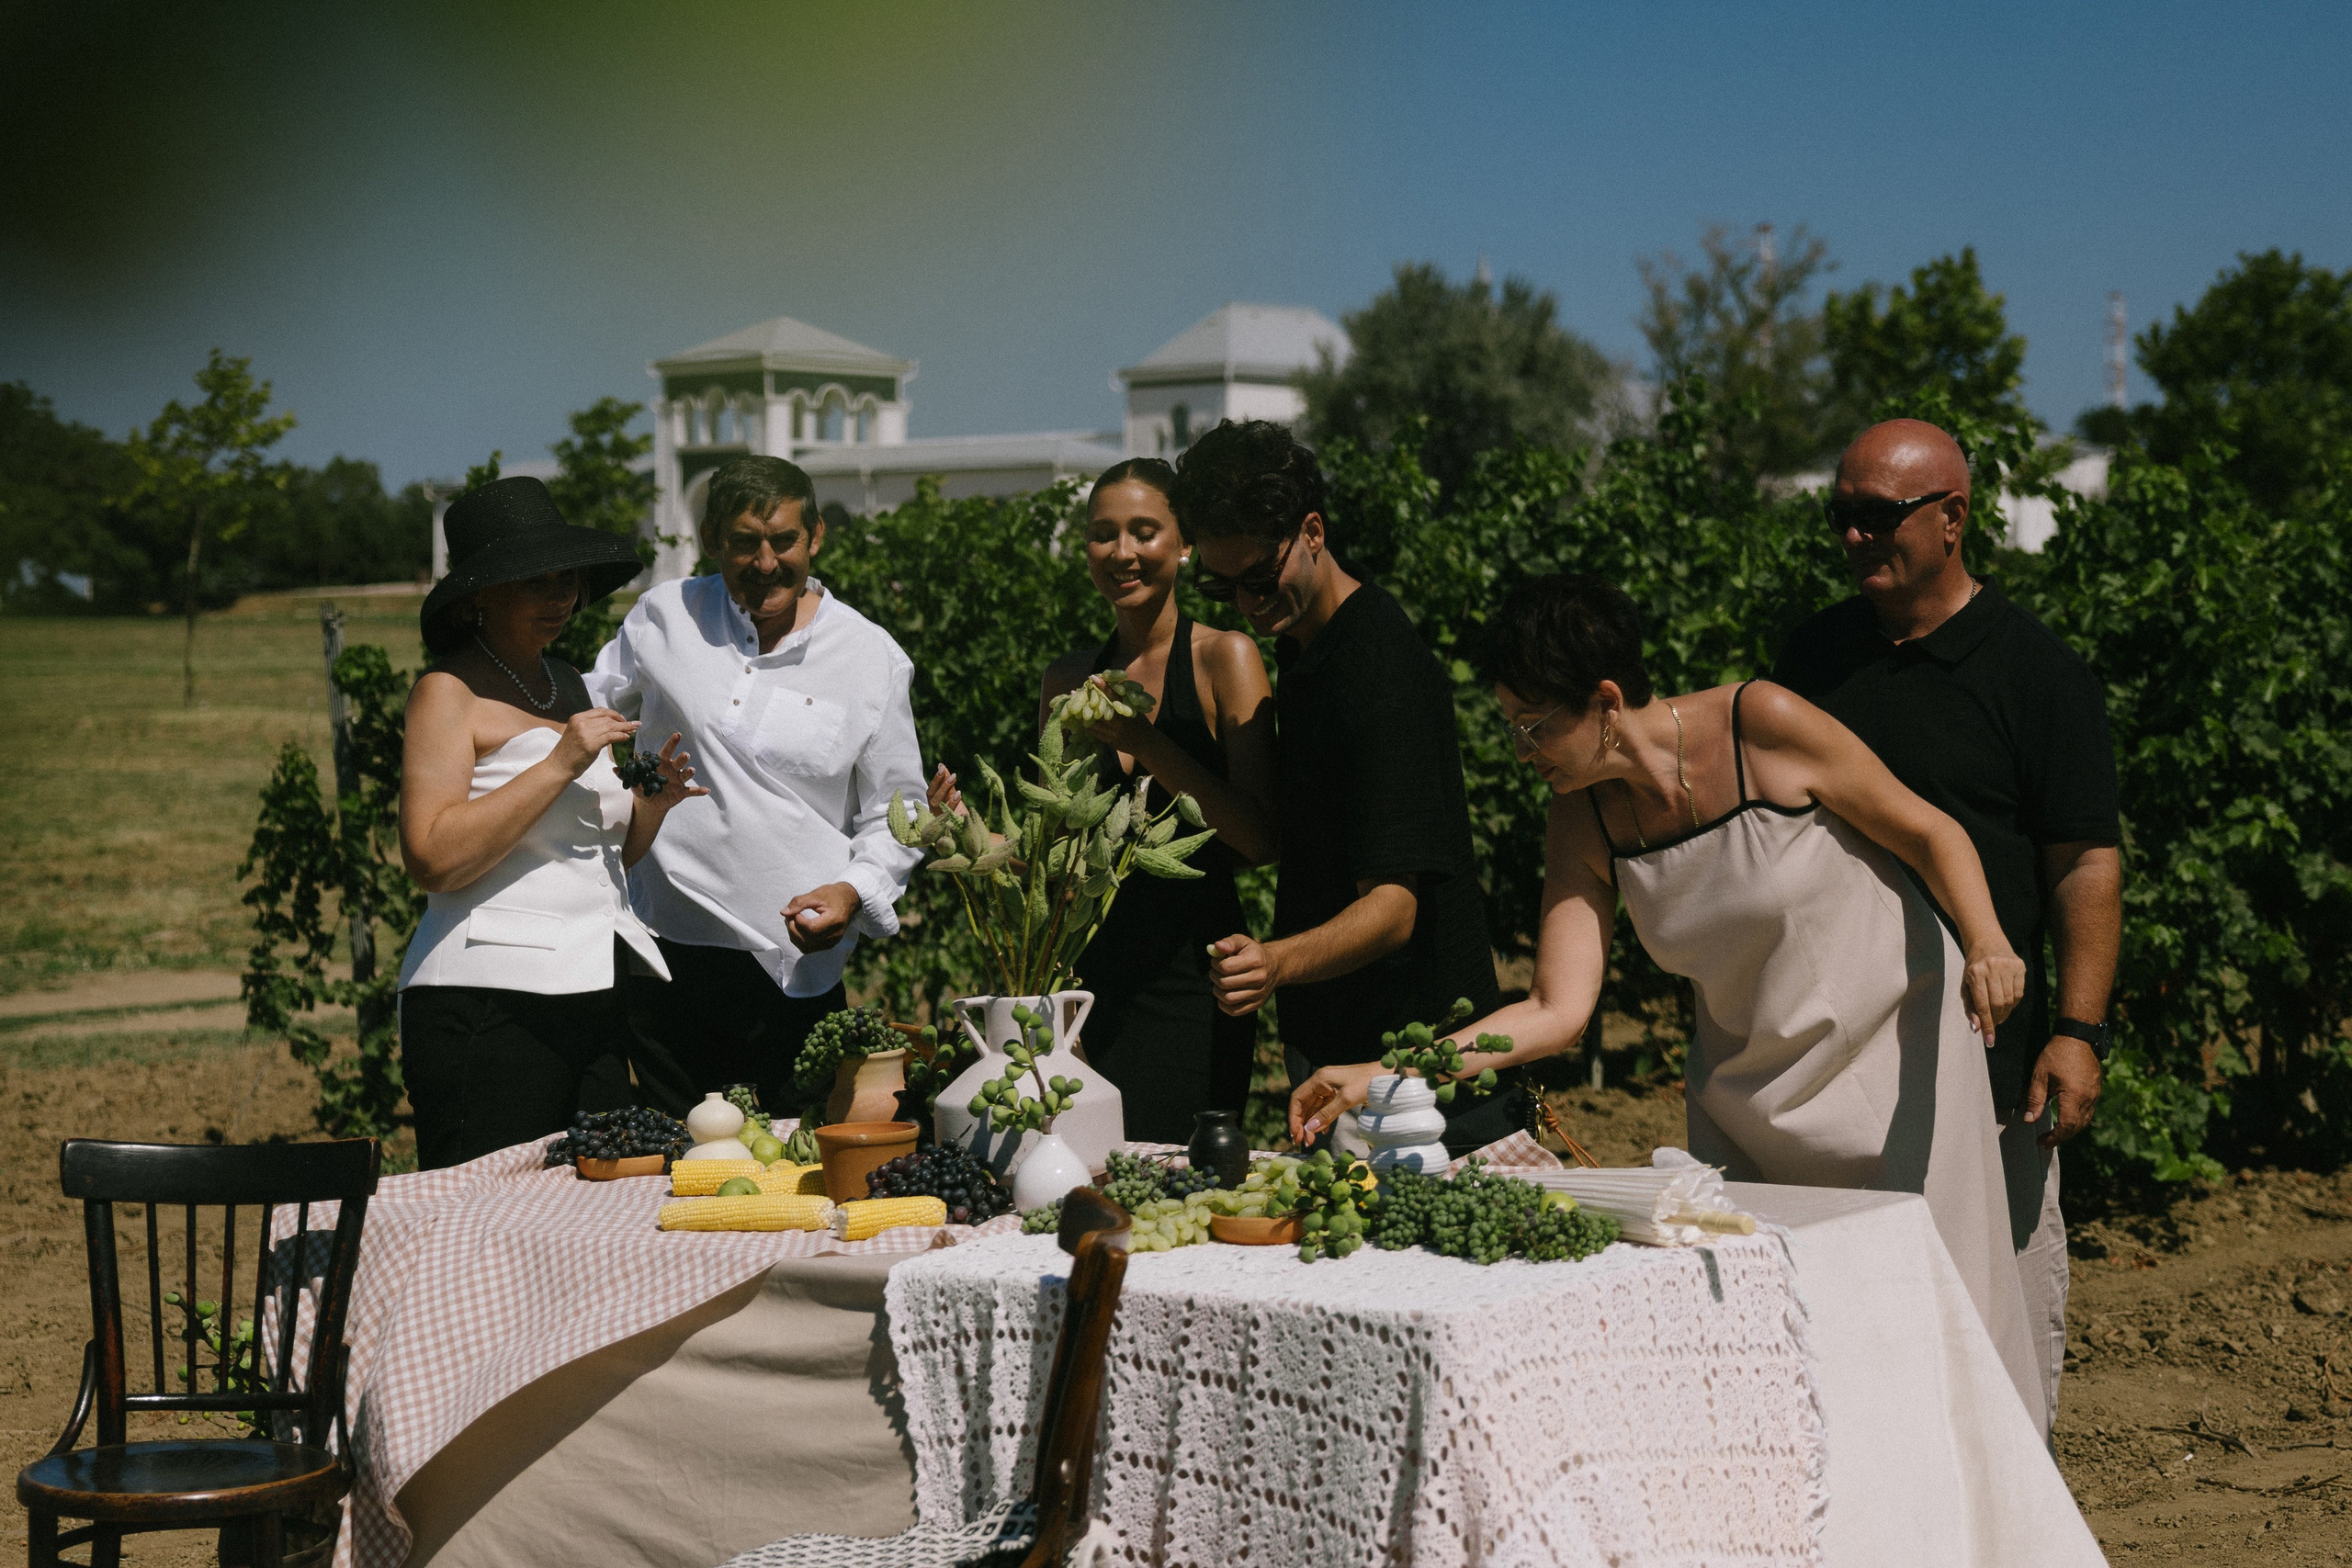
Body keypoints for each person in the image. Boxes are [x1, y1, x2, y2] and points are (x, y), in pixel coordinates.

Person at [1288, 572, 2052, 1432]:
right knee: (1788, 1347)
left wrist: (1987, 940)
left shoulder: (1760, 723)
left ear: (1606, 701)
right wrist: (1385, 1073)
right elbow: (1555, 1008)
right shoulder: (1583, 815)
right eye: (1507, 725)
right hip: (1750, 1091)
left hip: (1895, 1055)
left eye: (1533, 724)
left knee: (1924, 1320)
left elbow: (1929, 829)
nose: (1520, 749)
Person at [1775, 418, 2121, 1437]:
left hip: (1987, 1056)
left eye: (1874, 517)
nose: (1849, 538)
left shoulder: (2036, 674)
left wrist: (2076, 1030)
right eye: (1839, 516)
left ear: (1953, 518)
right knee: (1846, 1321)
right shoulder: (1814, 656)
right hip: (1837, 1053)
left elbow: (2083, 863)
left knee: (1996, 1314)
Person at [1172, 419, 1519, 1153]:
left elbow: (1393, 909)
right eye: (1220, 584)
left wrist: (1273, 962)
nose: (1245, 604)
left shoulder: (1378, 668)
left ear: (1313, 531)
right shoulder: (1306, 653)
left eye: (1260, 579)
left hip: (1416, 1079)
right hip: (1348, 1063)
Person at [933, 458, 1277, 1143]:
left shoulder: (1224, 659)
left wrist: (1144, 743)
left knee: (1177, 1175)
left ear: (1183, 544)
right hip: (1086, 987)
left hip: (1193, 984)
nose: (1122, 552)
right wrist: (965, 831)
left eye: (1144, 532)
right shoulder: (1065, 678)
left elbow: (1261, 837)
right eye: (1103, 533)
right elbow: (1051, 852)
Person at [585, 456, 926, 1117]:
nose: (765, 562)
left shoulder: (869, 657)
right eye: (744, 542)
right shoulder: (664, 616)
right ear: (713, 539)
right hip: (661, 958)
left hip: (793, 970)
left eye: (783, 541)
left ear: (816, 537)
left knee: (793, 1183)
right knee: (673, 1183)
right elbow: (586, 719)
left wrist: (854, 891)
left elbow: (900, 812)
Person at [397, 477, 704, 1169]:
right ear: (480, 593)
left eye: (567, 580)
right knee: (484, 1218)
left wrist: (650, 809)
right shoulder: (446, 692)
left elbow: (593, 861)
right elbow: (432, 856)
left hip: (594, 992)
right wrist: (561, 760)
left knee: (592, 1207)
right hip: (487, 1004)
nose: (561, 597)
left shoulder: (567, 682)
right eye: (537, 582)